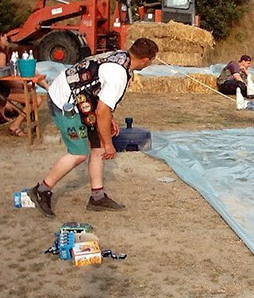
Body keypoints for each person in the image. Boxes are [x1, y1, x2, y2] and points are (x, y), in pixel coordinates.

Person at [27, 38, 159, 217]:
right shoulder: (119, 74)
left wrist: (109, 119)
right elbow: (102, 112)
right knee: (79, 153)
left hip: (82, 100)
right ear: (146, 60)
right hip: (65, 102)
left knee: (98, 148)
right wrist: (109, 144)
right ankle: (41, 190)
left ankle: (97, 197)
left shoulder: (121, 56)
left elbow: (100, 96)